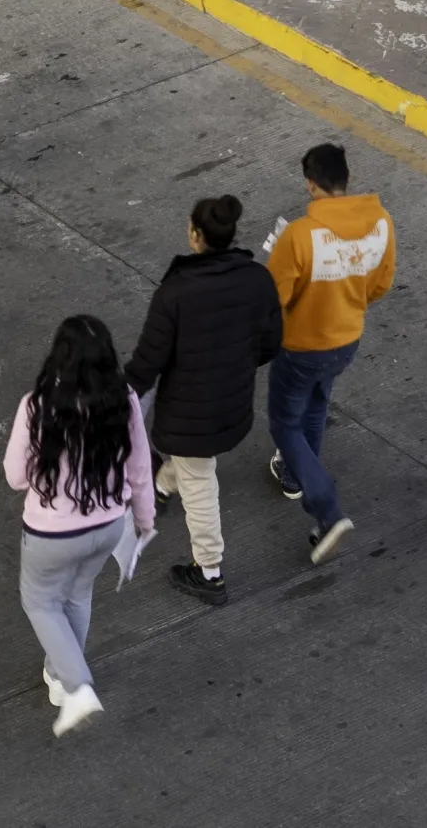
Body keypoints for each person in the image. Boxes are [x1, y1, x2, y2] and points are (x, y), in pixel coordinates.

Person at [123, 196, 283, 605]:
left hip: (189, 414)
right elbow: (270, 344)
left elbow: (147, 363)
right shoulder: (257, 279)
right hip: (232, 404)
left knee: (199, 483)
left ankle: (209, 572)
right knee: (196, 464)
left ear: (195, 236)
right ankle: (161, 485)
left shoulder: (175, 292)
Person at [3, 315, 155, 737]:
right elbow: (140, 468)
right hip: (107, 524)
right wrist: (144, 520)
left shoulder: (38, 405)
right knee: (77, 595)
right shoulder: (123, 400)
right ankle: (59, 673)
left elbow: (16, 476)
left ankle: (76, 685)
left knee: (40, 603)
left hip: (50, 532)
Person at [263, 143, 396, 564]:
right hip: (346, 340)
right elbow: (380, 285)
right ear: (347, 179)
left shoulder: (300, 236)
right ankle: (296, 472)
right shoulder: (381, 224)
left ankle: (326, 508)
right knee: (317, 406)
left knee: (285, 424)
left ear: (310, 183)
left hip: (301, 346)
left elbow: (274, 299)